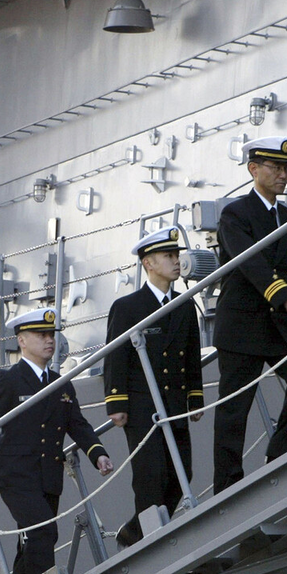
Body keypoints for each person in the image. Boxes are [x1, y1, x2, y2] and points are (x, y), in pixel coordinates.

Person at [0, 309, 114, 574]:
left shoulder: (62, 383)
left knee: (31, 541)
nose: (50, 341)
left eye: (51, 335)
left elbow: (78, 425)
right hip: (17, 476)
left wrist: (98, 454)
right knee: (44, 533)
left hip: (47, 476)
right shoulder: (7, 380)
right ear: (22, 341)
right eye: (41, 336)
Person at [213, 137, 287, 495]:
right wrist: (283, 295)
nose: (283, 174)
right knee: (235, 411)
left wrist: (286, 300)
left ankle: (282, 456)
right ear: (253, 169)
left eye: (286, 168)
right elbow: (250, 261)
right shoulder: (235, 214)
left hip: (278, 323)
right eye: (275, 168)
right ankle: (227, 487)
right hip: (243, 322)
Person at [104, 227, 205, 547]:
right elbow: (116, 357)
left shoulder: (185, 305)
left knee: (181, 474)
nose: (177, 262)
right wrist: (116, 403)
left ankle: (135, 534)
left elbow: (191, 355)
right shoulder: (128, 307)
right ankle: (148, 542)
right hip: (142, 405)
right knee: (150, 476)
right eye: (169, 257)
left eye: (177, 255)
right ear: (148, 263)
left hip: (174, 402)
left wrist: (195, 397)